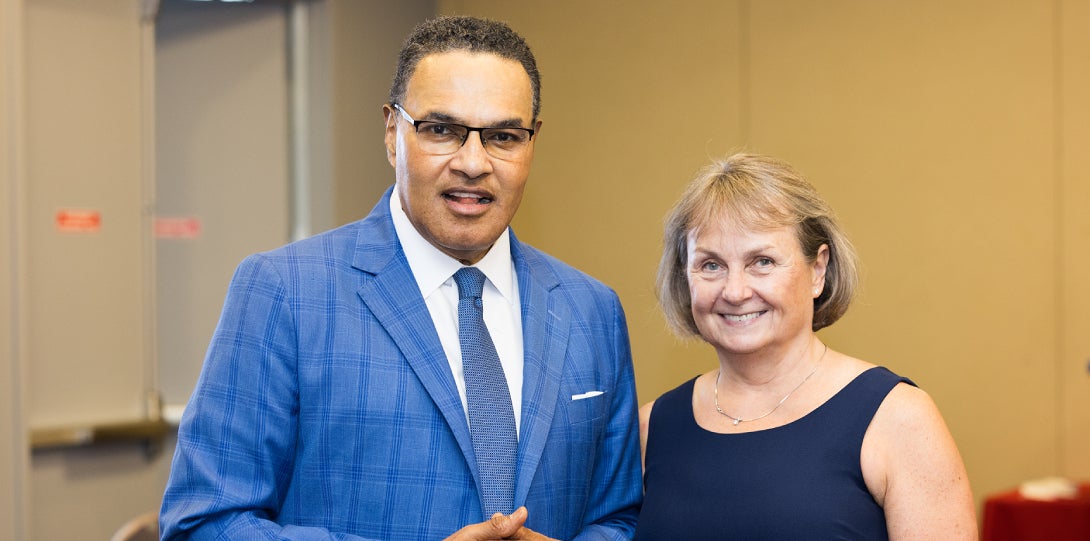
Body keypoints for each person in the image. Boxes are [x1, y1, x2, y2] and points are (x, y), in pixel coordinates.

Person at [160, 16, 642, 541]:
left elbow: (617, 519)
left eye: (504, 136)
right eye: (441, 130)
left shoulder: (591, 310)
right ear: (393, 133)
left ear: (532, 142)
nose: (474, 163)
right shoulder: (284, 293)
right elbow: (203, 524)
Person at [634, 153, 976, 539]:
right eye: (711, 265)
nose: (735, 291)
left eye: (762, 261)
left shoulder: (898, 419)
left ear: (818, 269)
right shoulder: (653, 428)